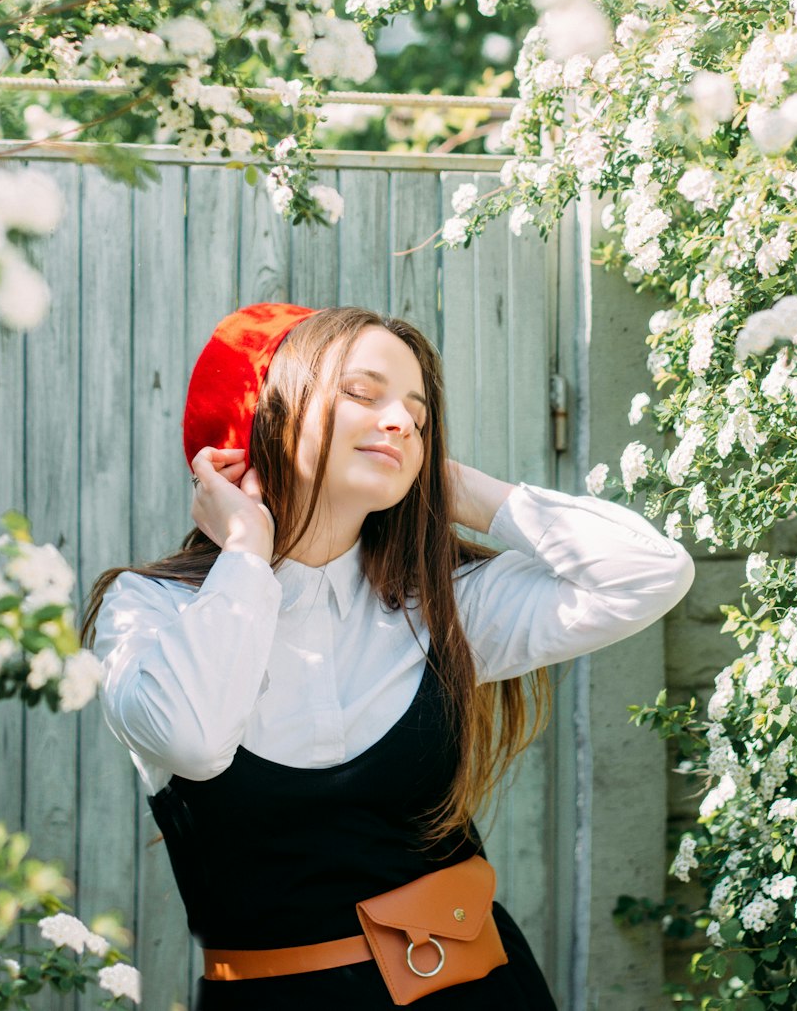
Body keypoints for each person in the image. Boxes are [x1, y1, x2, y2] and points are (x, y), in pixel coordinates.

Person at [83, 302, 696, 1009]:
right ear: (264, 415)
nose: (402, 421)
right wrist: (247, 550)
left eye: (420, 415)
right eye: (362, 394)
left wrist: (452, 486)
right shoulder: (151, 609)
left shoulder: (444, 604)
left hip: (480, 991)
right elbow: (192, 741)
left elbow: (651, 573)